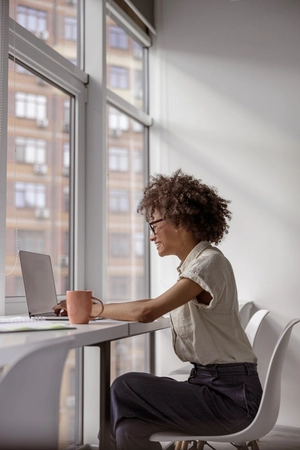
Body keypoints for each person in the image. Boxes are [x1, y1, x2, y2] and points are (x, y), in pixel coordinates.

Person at [54, 170, 263, 450]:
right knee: (130, 427)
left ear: (180, 220)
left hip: (231, 398)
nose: (152, 236)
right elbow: (149, 306)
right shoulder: (195, 266)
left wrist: (93, 309)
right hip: (211, 384)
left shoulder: (208, 263)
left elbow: (147, 311)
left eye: (153, 225)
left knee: (124, 386)